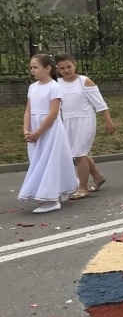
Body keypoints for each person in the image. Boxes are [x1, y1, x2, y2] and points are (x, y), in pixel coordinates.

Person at [18, 53, 79, 212]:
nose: (32, 70)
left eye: (35, 67)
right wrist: (27, 130)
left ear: (47, 68)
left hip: (49, 130)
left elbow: (53, 113)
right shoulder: (32, 87)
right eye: (31, 67)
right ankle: (64, 186)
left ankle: (51, 200)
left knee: (50, 161)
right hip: (35, 129)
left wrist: (38, 132)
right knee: (39, 161)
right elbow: (28, 111)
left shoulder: (54, 87)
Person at [55, 53, 114, 199]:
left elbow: (100, 104)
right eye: (62, 68)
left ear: (74, 64)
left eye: (69, 67)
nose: (66, 71)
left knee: (80, 154)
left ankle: (83, 187)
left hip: (85, 120)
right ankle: (98, 176)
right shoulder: (57, 84)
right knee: (77, 153)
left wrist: (108, 121)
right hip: (67, 121)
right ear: (57, 69)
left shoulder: (84, 81)